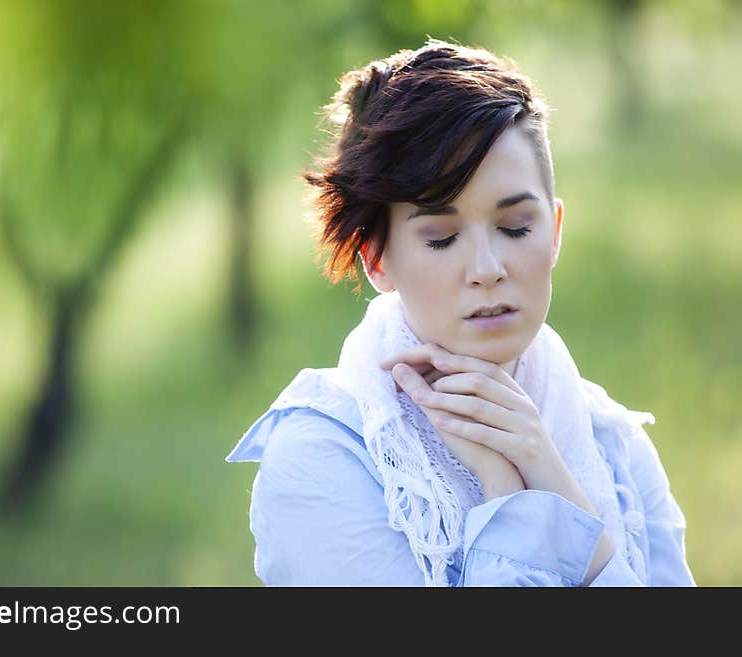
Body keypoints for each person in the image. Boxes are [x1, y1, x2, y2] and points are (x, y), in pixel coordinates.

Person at [225, 39, 696, 586]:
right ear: (376, 259)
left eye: (516, 227)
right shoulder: (322, 457)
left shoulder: (611, 441)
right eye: (442, 237)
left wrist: (549, 481)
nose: (488, 267)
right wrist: (507, 493)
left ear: (556, 232)